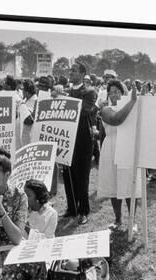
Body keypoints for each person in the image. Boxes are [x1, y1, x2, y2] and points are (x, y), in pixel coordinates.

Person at [98, 80, 140, 229]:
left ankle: (132, 221)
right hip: (111, 148)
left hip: (127, 147)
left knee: (129, 184)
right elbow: (116, 119)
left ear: (123, 93)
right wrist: (133, 101)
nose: (114, 94)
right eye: (111, 92)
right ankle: (118, 219)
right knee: (114, 184)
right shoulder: (105, 109)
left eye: (117, 91)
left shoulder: (132, 108)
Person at [63, 63, 95, 225]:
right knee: (68, 174)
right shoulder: (67, 92)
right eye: (70, 70)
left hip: (83, 139)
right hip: (67, 139)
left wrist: (64, 99)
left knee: (82, 176)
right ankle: (71, 207)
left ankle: (83, 210)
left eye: (74, 71)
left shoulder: (89, 92)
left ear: (83, 74)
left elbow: (84, 111)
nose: (71, 73)